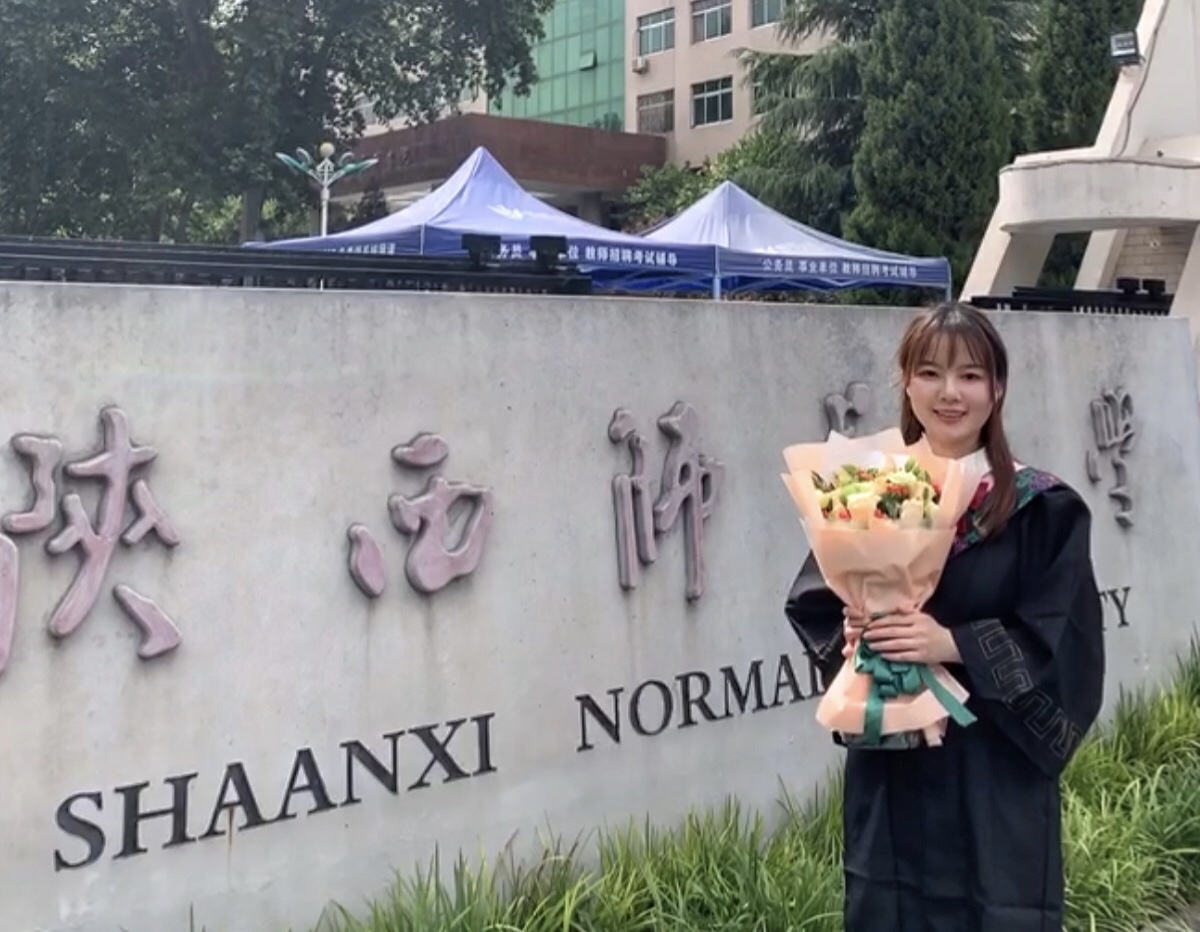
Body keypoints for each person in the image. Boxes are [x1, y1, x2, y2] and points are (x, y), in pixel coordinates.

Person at [784, 303, 1105, 932]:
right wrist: (856, 634)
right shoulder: (866, 495)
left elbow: (1066, 642)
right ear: (907, 384)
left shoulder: (1041, 510)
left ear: (997, 388)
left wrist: (951, 642)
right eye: (930, 373)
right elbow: (816, 604)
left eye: (970, 375)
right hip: (894, 769)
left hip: (992, 772)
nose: (949, 393)